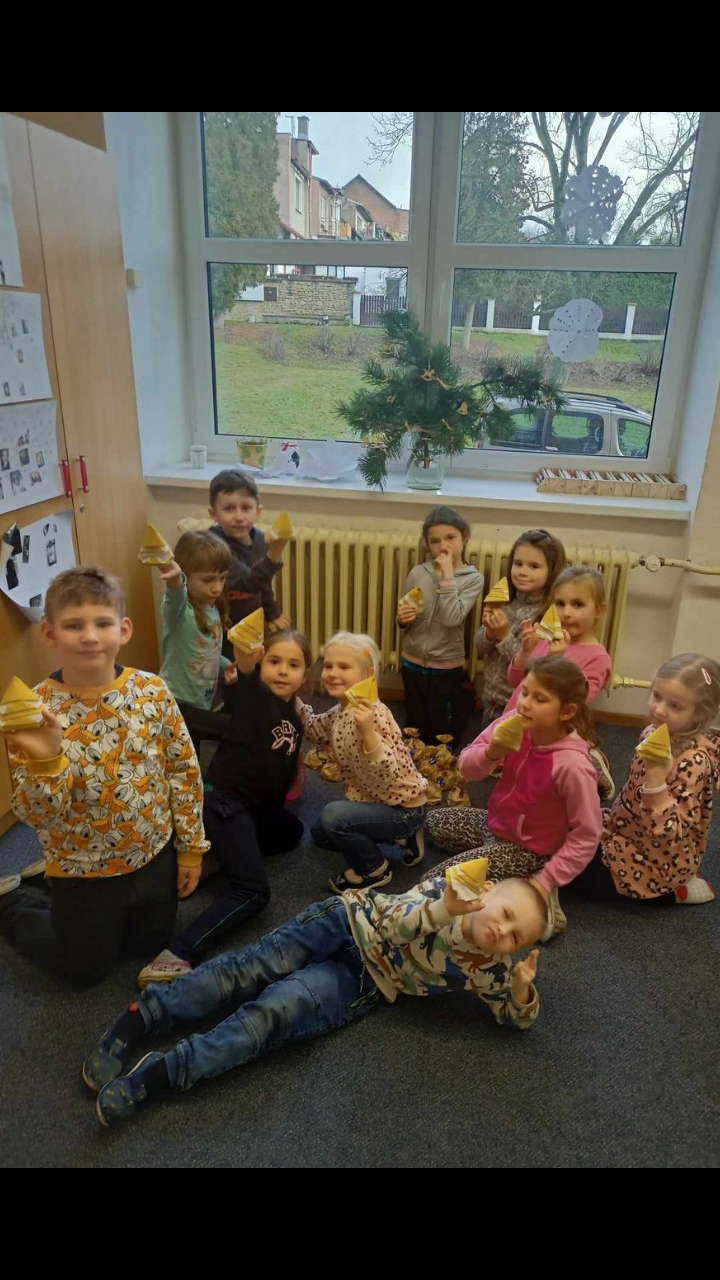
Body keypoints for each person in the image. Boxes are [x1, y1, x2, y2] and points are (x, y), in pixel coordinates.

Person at [82, 872, 548, 1126]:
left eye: (516, 938)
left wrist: (521, 989)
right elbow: (394, 924)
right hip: (346, 921)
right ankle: (141, 1016)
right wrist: (444, 908)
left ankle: (163, 1073)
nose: (503, 932)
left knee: (275, 1013)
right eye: (507, 914)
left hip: (363, 981)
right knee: (246, 971)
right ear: (487, 892)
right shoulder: (448, 890)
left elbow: (514, 1018)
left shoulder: (490, 968)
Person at [0, 567, 207, 986]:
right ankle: (11, 901)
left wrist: (190, 849)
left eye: (102, 623)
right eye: (74, 626)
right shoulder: (35, 711)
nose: (90, 636)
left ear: (123, 629)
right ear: (49, 633)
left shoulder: (153, 691)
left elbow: (183, 772)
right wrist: (47, 759)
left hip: (153, 854)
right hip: (82, 869)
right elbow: (37, 814)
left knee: (147, 945)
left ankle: (48, 885)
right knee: (83, 971)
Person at [137, 630, 311, 987]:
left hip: (256, 808)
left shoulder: (293, 719)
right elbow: (245, 676)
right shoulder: (255, 697)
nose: (282, 671)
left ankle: (218, 854)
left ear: (305, 676)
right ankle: (178, 953)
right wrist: (245, 665)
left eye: (293, 665)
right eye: (274, 662)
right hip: (224, 803)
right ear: (261, 665)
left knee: (293, 830)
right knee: (253, 891)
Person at [426, 656, 603, 939]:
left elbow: (587, 835)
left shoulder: (572, 766)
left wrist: (545, 881)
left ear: (567, 711)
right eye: (525, 692)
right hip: (496, 825)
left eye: (540, 699)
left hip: (529, 851)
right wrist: (491, 752)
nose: (525, 703)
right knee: (430, 823)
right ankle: (507, 880)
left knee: (434, 885)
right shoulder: (514, 721)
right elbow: (466, 768)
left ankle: (538, 893)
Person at [572, 653, 720, 906]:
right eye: (657, 696)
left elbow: (671, 834)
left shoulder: (694, 764)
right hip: (626, 829)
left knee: (583, 878)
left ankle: (674, 892)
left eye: (675, 706)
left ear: (699, 713)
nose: (659, 709)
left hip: (658, 860)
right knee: (568, 833)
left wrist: (657, 781)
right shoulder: (653, 732)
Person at [301, 633, 428, 892]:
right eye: (328, 665)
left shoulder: (374, 715)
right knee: (321, 833)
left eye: (344, 667)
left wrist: (369, 733)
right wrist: (291, 698)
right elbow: (313, 729)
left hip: (404, 809)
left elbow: (388, 771)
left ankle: (374, 870)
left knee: (334, 817)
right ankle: (403, 838)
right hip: (376, 800)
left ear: (368, 674)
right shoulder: (341, 710)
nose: (333, 673)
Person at [397, 506, 484, 747]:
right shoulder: (418, 572)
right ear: (427, 544)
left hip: (446, 664)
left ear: (464, 537)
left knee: (441, 725)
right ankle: (413, 758)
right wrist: (402, 619)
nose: (443, 546)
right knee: (415, 719)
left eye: (450, 538)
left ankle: (441, 759)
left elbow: (452, 618)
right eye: (435, 541)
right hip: (412, 659)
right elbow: (404, 615)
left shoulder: (473, 579)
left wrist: (447, 576)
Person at [208, 468, 290, 714]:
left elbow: (263, 584)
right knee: (231, 672)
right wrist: (275, 554)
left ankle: (252, 710)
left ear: (258, 511)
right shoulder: (216, 545)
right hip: (225, 625)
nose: (239, 517)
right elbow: (248, 582)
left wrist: (271, 612)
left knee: (254, 666)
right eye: (229, 508)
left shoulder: (259, 540)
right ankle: (231, 714)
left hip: (252, 617)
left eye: (246, 508)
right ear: (214, 513)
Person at [475, 528, 566, 727]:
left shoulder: (547, 616)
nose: (523, 572)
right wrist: (489, 632)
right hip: (491, 699)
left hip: (518, 706)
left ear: (552, 572)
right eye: (518, 564)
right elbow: (480, 647)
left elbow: (531, 665)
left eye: (534, 566)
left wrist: (503, 635)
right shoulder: (506, 603)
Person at [157, 530, 237, 753]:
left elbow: (207, 650)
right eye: (208, 580)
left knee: (192, 754)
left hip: (201, 700)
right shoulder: (180, 613)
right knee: (230, 732)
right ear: (185, 575)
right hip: (176, 702)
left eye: (222, 578)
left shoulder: (211, 607)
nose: (217, 587)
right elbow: (175, 597)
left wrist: (224, 665)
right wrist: (175, 581)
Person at [505, 566, 611, 711]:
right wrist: (525, 652)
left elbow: (575, 704)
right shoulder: (545, 639)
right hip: (514, 718)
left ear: (599, 610)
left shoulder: (598, 659)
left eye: (578, 604)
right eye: (560, 603)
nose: (566, 613)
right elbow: (514, 680)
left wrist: (554, 661)